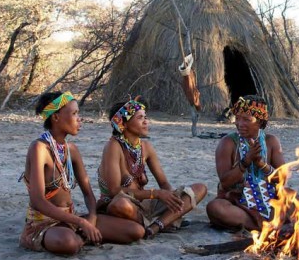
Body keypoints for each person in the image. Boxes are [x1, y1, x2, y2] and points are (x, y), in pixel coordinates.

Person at [20, 91, 141, 255]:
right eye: (74, 113)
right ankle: (77, 238)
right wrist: (81, 223)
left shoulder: (71, 150)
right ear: (56, 117)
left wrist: (91, 218)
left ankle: (80, 237)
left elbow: (88, 194)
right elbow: (37, 201)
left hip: (71, 219)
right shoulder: (39, 148)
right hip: (43, 223)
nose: (79, 119)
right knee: (69, 243)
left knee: (135, 231)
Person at [97, 97, 207, 238]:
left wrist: (173, 200)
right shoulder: (113, 147)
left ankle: (154, 227)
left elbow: (164, 183)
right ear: (124, 124)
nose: (145, 122)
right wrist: (156, 194)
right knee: (121, 204)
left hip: (146, 205)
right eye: (140, 118)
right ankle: (164, 222)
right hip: (126, 206)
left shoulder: (146, 147)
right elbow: (114, 191)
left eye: (146, 117)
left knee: (199, 189)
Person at [206, 95, 286, 231]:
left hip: (269, 198)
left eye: (246, 120)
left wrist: (262, 164)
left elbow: (282, 178)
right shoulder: (228, 143)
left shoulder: (271, 141)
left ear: (260, 122)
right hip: (237, 201)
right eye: (237, 118)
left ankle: (260, 224)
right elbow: (225, 183)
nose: (239, 123)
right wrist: (246, 161)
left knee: (297, 199)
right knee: (215, 208)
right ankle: (264, 225)